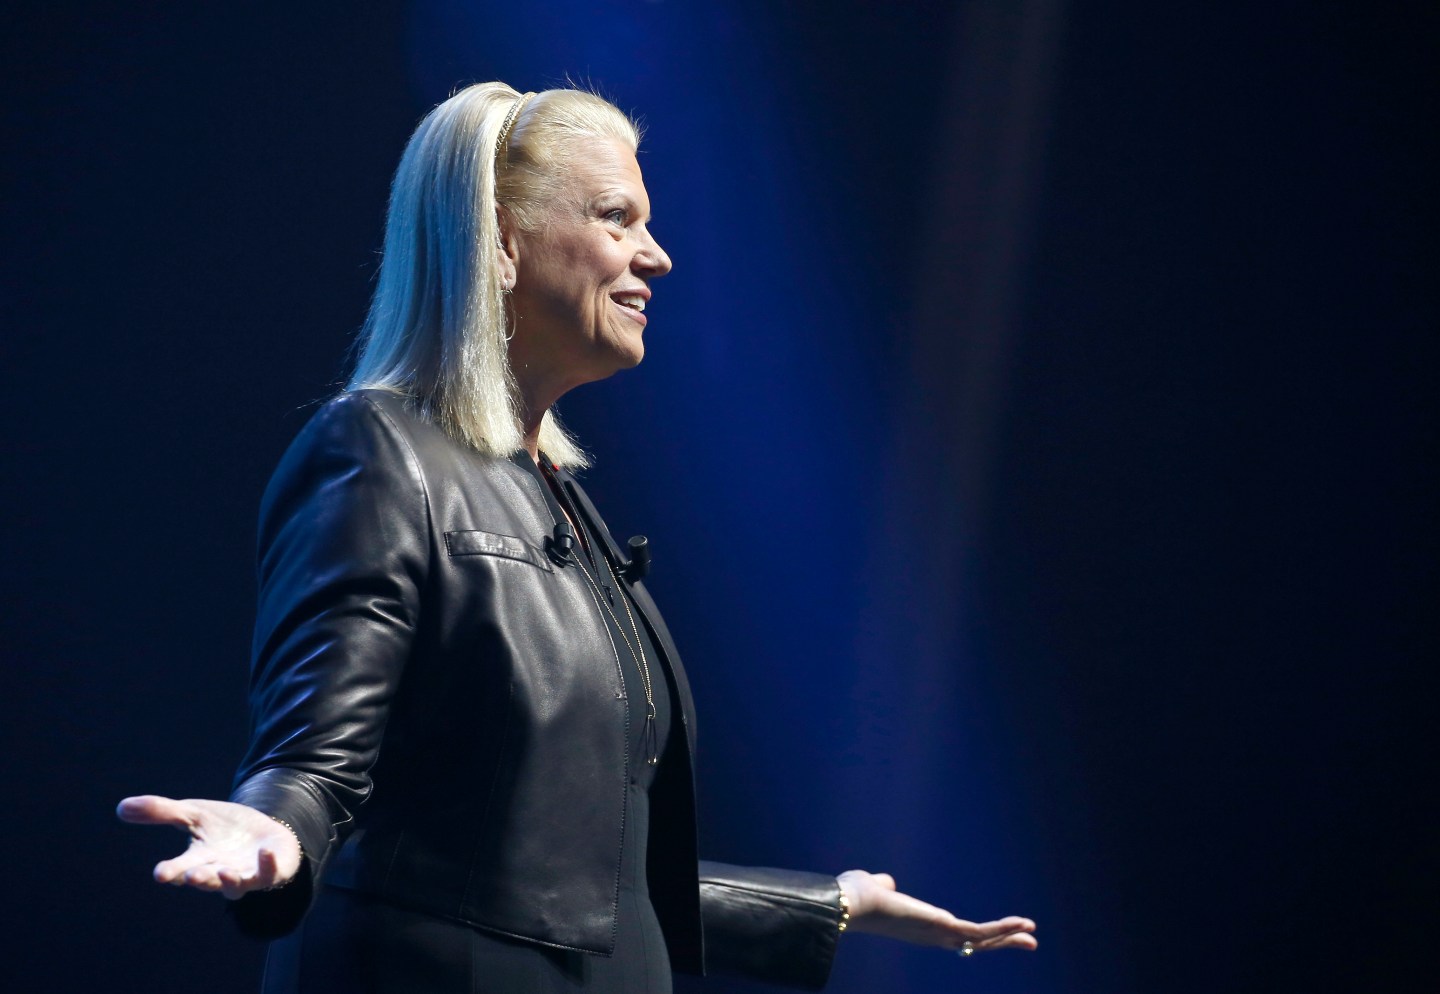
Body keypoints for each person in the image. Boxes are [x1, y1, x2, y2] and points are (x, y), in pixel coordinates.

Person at [117, 82, 1037, 993]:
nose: (658, 256)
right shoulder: (379, 450)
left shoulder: (559, 499)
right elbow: (316, 763)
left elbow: (567, 877)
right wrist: (272, 827)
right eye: (616, 217)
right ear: (501, 242)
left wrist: (826, 905)